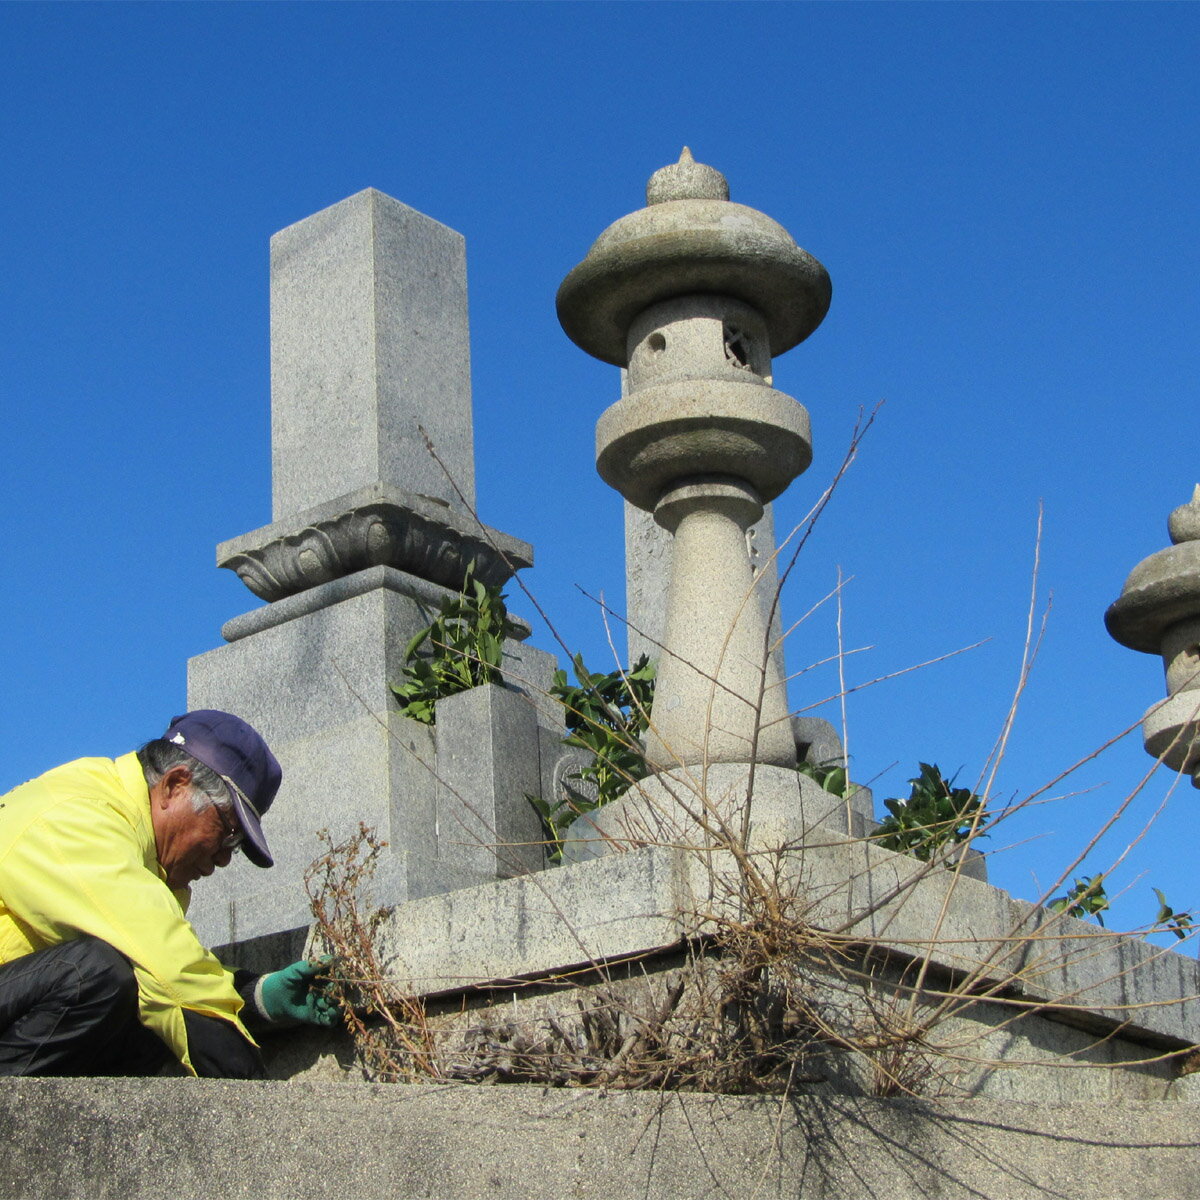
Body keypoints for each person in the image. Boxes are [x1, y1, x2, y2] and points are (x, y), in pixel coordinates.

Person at [0, 709, 337, 1078]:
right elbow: (172, 974)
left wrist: (259, 996)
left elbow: (167, 970)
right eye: (227, 832)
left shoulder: (128, 838)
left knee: (141, 1005)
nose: (223, 859)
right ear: (175, 785)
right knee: (95, 974)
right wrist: (260, 1112)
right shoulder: (78, 818)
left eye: (237, 846)